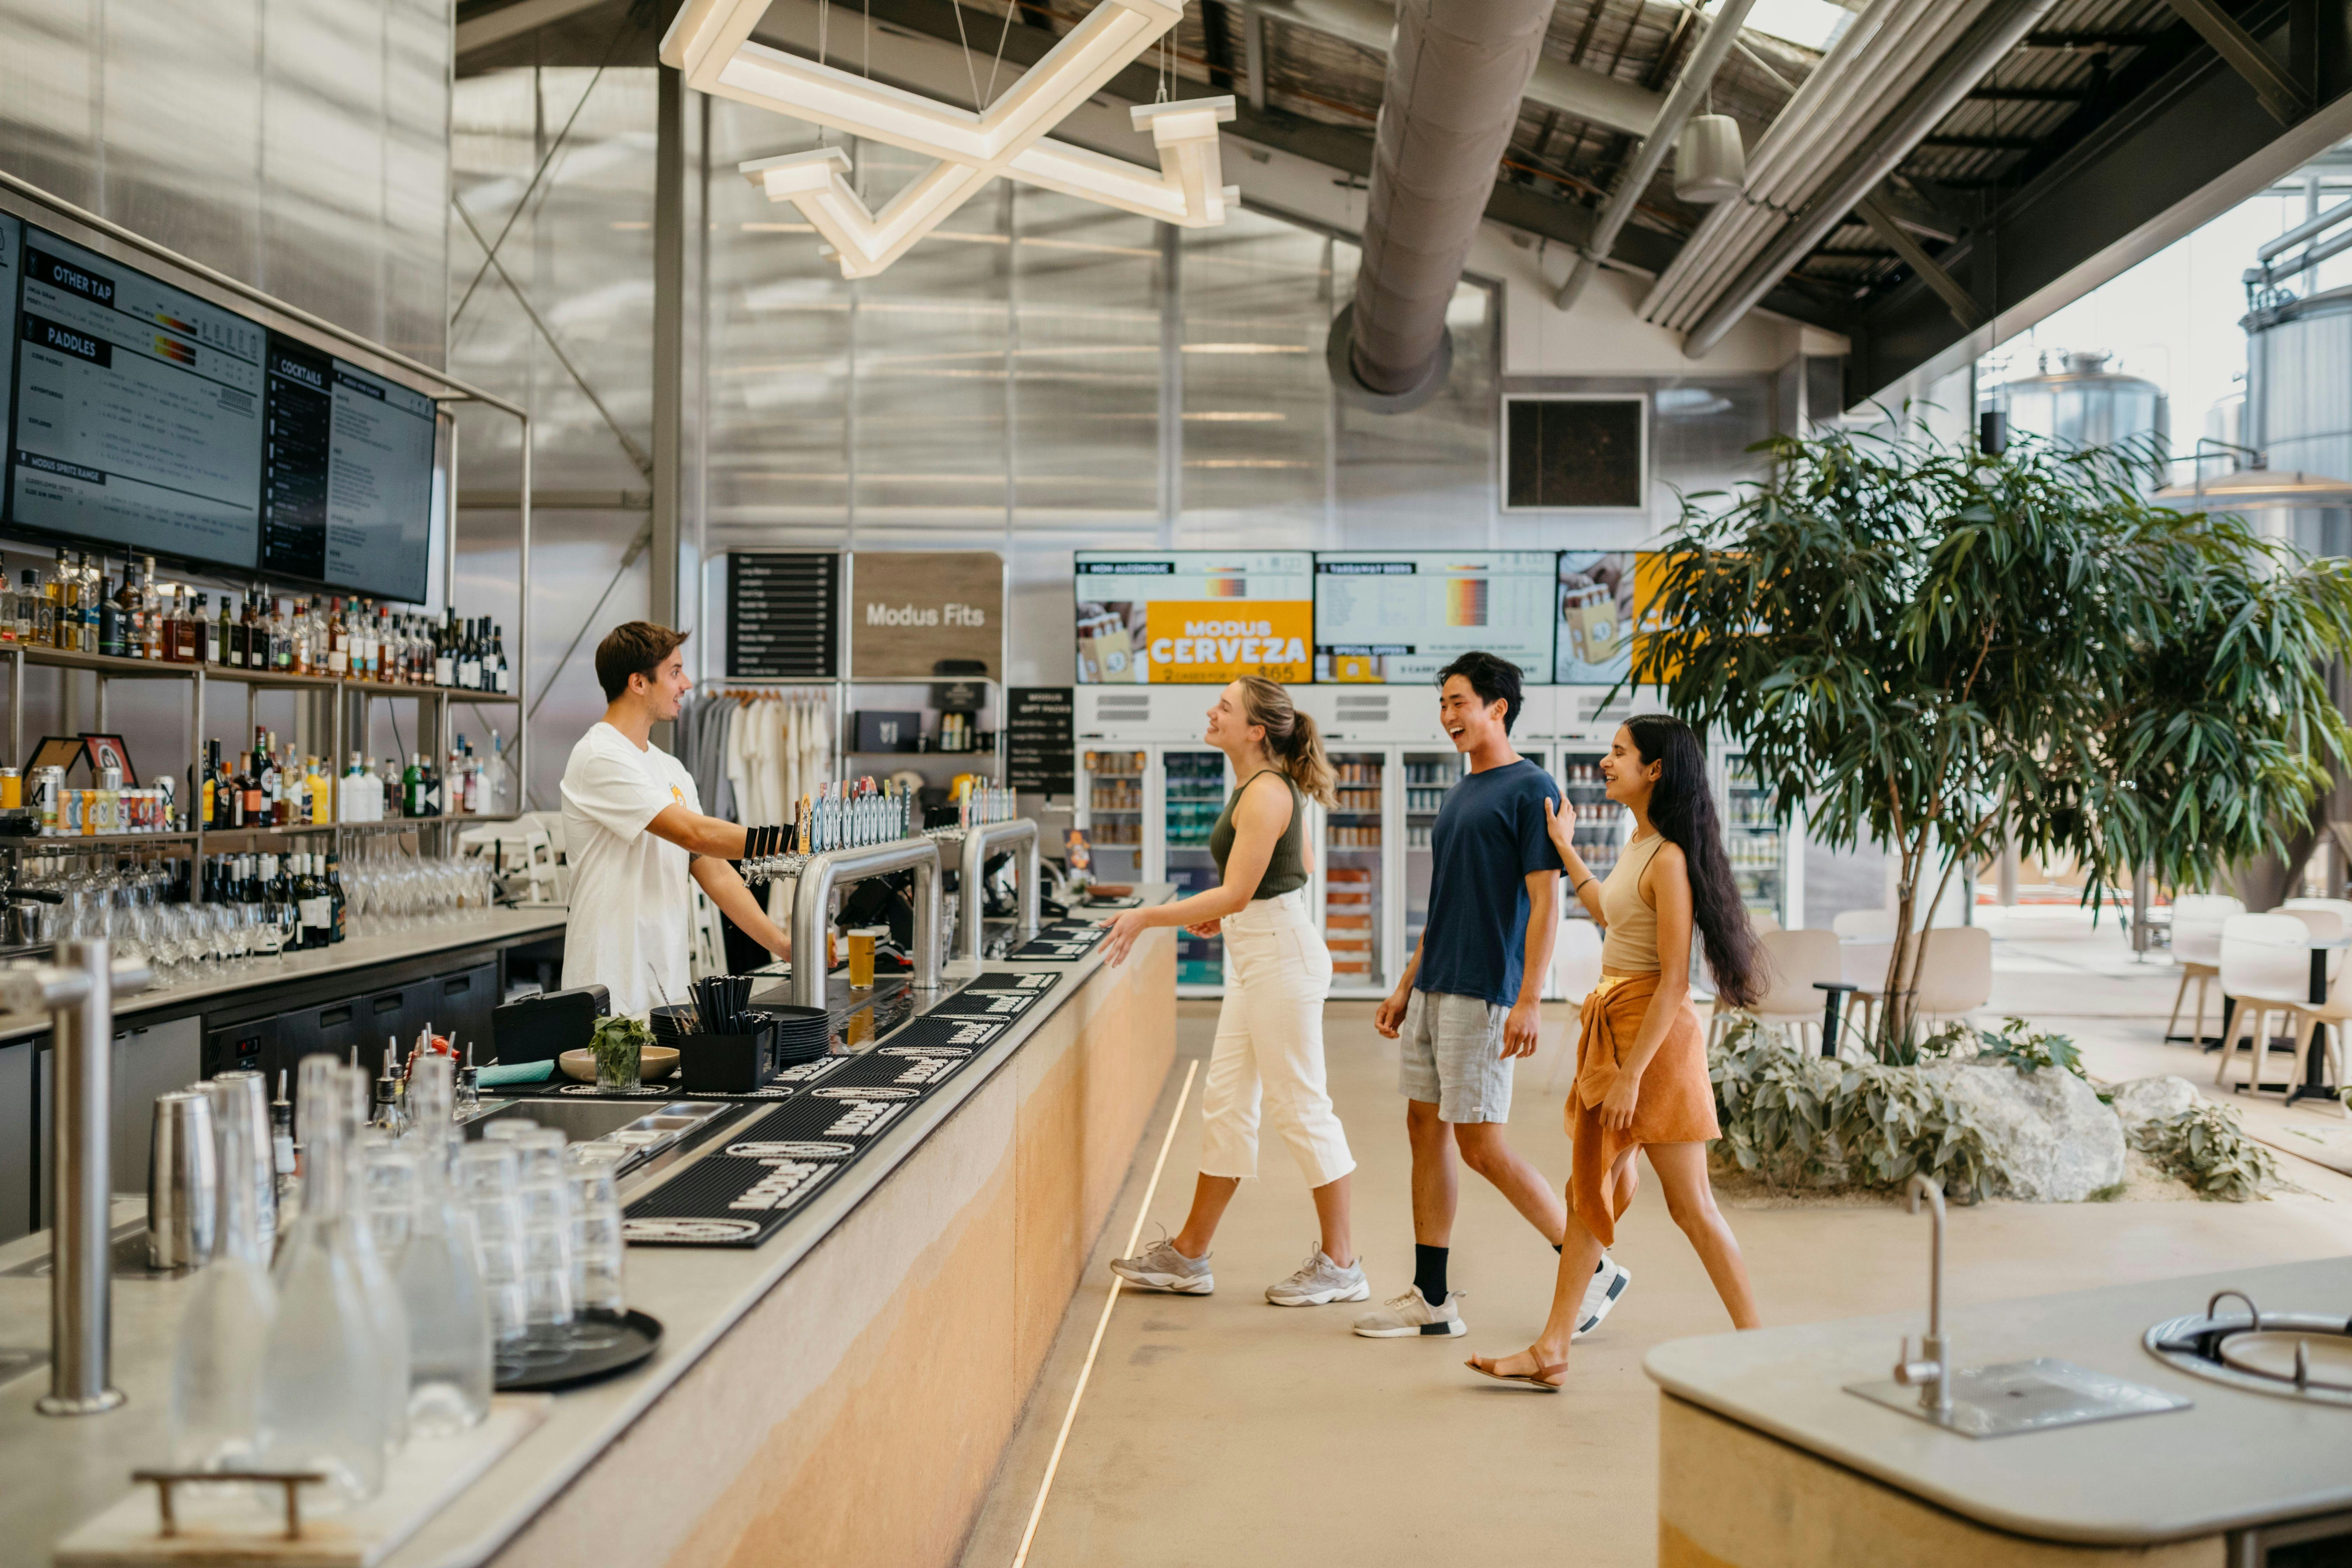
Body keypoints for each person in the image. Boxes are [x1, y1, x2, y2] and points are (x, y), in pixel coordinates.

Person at [1466, 714, 1765, 1391]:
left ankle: (1760, 1347)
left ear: (1654, 770)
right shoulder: (1640, 844)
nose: (1607, 761)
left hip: (1652, 1043)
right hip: (1619, 1030)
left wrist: (1632, 1076)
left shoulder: (1670, 860)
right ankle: (1552, 1347)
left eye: (1619, 752)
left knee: (1690, 1206)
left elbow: (1674, 982)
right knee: (1589, 1192)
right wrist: (1566, 850)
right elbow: (1609, 911)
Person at [1357, 652, 1623, 1342]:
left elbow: (1546, 902)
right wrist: (1406, 983)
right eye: (1442, 705)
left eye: (1459, 702)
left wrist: (1530, 997)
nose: (1448, 717)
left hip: (1484, 991)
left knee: (1481, 1145)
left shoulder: (1530, 787)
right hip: (1436, 985)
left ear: (1497, 706)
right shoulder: (1460, 789)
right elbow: (1444, 901)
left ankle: (1590, 1263)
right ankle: (1433, 1295)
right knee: (1426, 1128)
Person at [1098, 677, 1364, 1307]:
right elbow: (1291, 871)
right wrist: (1234, 910)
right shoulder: (1257, 787)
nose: (1211, 711)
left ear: (1255, 730)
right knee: (1226, 1104)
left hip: (1281, 960)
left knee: (1301, 1107)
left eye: (1225, 706)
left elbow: (1243, 889)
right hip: (1258, 956)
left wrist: (1146, 917)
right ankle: (1190, 1255)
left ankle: (1343, 1264)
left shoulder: (1268, 792)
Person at [559, 622, 792, 1018]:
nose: (686, 683)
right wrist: (795, 841)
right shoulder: (600, 755)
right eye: (674, 672)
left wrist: (787, 947)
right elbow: (694, 834)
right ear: (638, 682)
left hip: (665, 988)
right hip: (609, 987)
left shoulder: (671, 769)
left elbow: (716, 873)